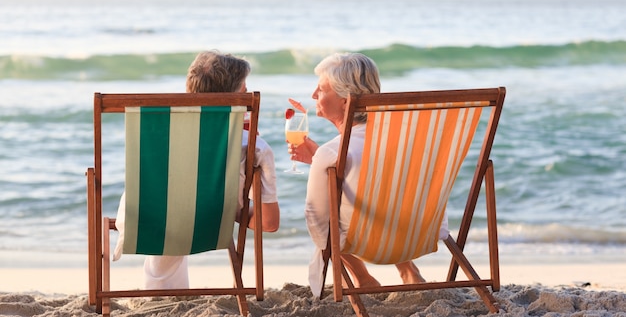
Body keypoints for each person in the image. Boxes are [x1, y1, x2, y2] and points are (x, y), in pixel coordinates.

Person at [113, 50, 280, 289]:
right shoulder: (252, 145)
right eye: (244, 92)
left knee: (173, 199)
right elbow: (270, 223)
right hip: (211, 222)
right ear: (233, 100)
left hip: (146, 217)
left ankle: (161, 295)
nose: (247, 96)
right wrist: (234, 208)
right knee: (200, 202)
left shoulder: (158, 132)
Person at [289, 52, 447, 295]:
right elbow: (376, 178)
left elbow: (317, 220)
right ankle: (409, 271)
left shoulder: (333, 152)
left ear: (345, 100)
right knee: (387, 197)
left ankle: (363, 278)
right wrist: (323, 161)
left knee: (332, 213)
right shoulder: (410, 140)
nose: (313, 95)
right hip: (420, 234)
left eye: (321, 89)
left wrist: (322, 161)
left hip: (365, 243)